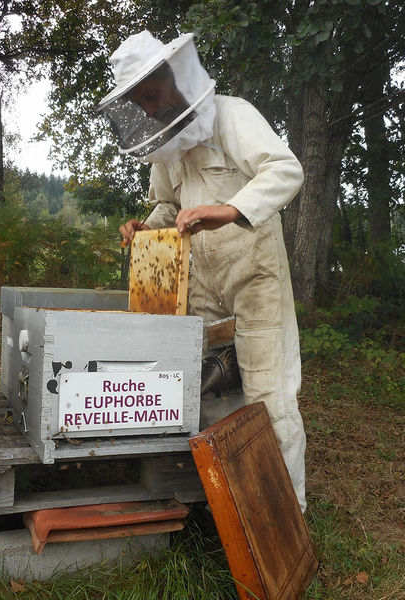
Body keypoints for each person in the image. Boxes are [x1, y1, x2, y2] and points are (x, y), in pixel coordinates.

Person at [96, 30, 307, 512]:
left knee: (268, 396)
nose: (148, 109)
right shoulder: (164, 145)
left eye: (150, 95)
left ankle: (287, 517)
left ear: (174, 77)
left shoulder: (232, 114)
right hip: (201, 284)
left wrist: (230, 210)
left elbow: (285, 170)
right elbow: (169, 207)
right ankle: (234, 511)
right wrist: (142, 227)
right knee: (211, 393)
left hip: (254, 275)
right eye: (138, 102)